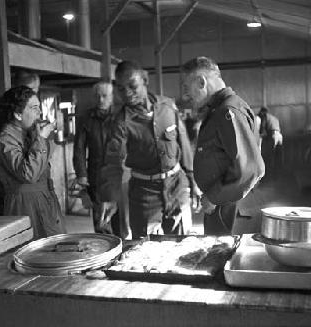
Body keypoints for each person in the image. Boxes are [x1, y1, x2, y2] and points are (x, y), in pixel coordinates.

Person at [99, 60, 199, 239]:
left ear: (145, 80)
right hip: (145, 195)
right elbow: (113, 164)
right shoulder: (120, 123)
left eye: (132, 86)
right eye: (121, 89)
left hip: (177, 187)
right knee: (146, 250)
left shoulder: (168, 107)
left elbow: (183, 145)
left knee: (182, 244)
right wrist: (111, 197)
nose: (128, 93)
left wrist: (194, 181)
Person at [181, 56, 264, 235]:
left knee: (227, 260)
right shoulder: (219, 110)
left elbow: (252, 168)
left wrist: (213, 198)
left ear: (202, 82)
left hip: (229, 206)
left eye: (187, 88)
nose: (186, 96)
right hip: (224, 203)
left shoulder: (228, 111)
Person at [0, 86, 66, 239]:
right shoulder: (5, 140)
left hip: (45, 199)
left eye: (39, 107)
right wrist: (41, 139)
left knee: (55, 249)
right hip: (24, 206)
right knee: (32, 254)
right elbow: (28, 174)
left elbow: (46, 159)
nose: (39, 112)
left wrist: (44, 137)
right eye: (34, 108)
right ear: (18, 114)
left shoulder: (30, 133)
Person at [0, 69, 40, 215]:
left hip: (8, 180)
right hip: (7, 183)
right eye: (33, 92)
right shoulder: (1, 110)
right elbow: (7, 146)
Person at [73, 81, 122, 236]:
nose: (100, 100)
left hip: (120, 175)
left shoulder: (120, 116)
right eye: (97, 96)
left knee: (121, 219)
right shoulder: (86, 118)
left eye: (104, 96)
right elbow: (79, 148)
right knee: (102, 221)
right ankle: (107, 255)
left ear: (112, 97)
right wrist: (81, 174)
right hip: (97, 176)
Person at [257, 106, 283, 180]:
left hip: (273, 136)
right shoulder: (274, 118)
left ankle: (269, 177)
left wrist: (259, 134)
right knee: (278, 157)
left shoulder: (265, 116)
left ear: (262, 112)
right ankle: (279, 175)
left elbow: (262, 128)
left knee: (270, 156)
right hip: (280, 136)